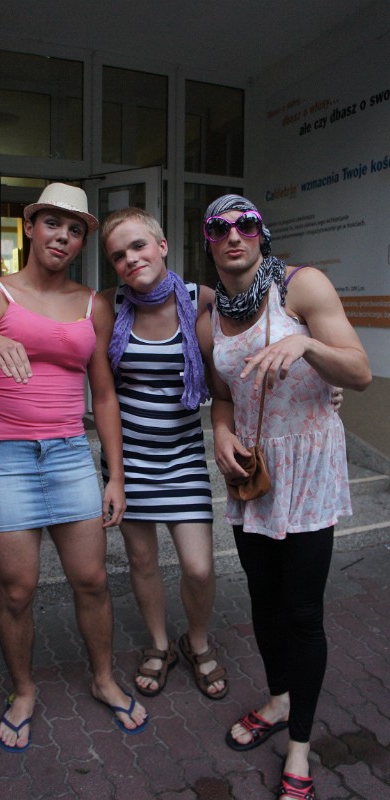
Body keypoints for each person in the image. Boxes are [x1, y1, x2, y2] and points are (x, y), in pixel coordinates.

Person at [0, 183, 148, 752]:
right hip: (3, 458)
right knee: (17, 591)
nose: (63, 236)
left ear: (82, 241)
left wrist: (115, 474)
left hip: (68, 455)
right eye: (53, 224)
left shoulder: (94, 304)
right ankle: (23, 690)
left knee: (92, 580)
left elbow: (103, 395)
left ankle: (103, 678)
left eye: (75, 229)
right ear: (31, 227)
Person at [197, 194, 371, 800]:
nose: (233, 235)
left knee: (302, 611)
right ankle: (277, 700)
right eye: (219, 227)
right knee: (264, 601)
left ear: (261, 234)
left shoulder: (301, 287)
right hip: (254, 471)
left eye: (245, 224)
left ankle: (299, 745)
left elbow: (358, 371)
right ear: (209, 241)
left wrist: (307, 346)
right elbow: (223, 396)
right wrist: (221, 432)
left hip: (309, 467)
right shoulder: (210, 318)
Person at [100, 207, 228, 700]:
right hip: (128, 459)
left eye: (138, 246)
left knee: (198, 567)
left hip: (183, 456)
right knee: (142, 560)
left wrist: (321, 378)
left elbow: (265, 322)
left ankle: (197, 641)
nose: (130, 259)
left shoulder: (200, 299)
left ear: (162, 246)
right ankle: (159, 643)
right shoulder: (109, 305)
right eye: (118, 255)